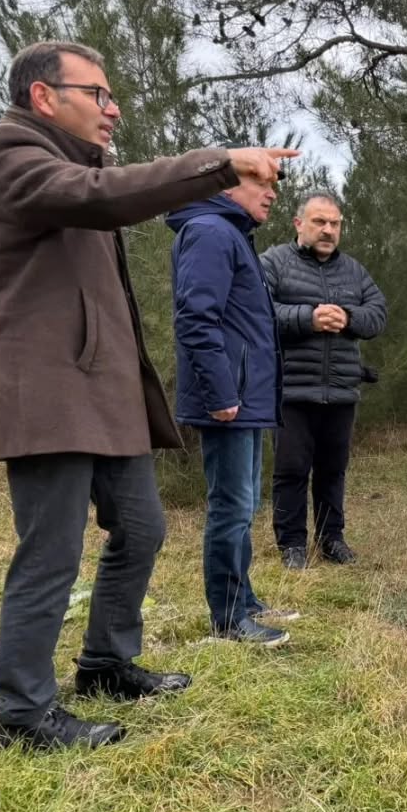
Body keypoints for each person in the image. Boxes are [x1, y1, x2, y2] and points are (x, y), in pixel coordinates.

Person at [0, 40, 297, 751]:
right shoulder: (6, 152)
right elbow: (99, 197)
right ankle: (24, 715)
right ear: (44, 96)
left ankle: (107, 662)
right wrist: (220, 164)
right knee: (50, 553)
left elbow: (106, 190)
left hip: (103, 392)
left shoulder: (78, 165)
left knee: (142, 528)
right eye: (97, 94)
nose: (112, 109)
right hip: (46, 388)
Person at [168, 173, 297, 646]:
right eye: (260, 182)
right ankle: (228, 619)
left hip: (246, 398)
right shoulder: (210, 232)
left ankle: (246, 602)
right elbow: (195, 318)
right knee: (231, 507)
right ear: (226, 184)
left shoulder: (231, 233)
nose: (272, 192)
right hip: (230, 401)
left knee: (245, 504)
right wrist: (221, 394)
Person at [261, 191, 388, 570]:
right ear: (299, 223)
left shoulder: (353, 271)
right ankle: (292, 545)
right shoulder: (274, 262)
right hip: (291, 390)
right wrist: (308, 318)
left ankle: (332, 539)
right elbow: (258, 311)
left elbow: (378, 314)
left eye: (335, 223)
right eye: (320, 222)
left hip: (341, 390)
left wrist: (348, 318)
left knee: (333, 471)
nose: (328, 230)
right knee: (291, 471)